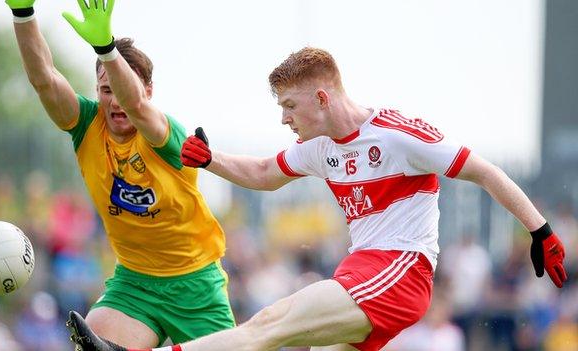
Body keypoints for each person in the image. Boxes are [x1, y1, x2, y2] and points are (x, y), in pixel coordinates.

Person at [67, 46, 568, 351]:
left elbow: (485, 171)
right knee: (281, 334)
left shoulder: (398, 135)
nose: (285, 118)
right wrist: (208, 158)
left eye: (289, 106)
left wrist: (540, 230)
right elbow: (263, 172)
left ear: (322, 99)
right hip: (360, 271)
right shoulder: (320, 147)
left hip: (400, 272)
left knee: (270, 324)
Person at [3, 0, 235, 348]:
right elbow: (45, 81)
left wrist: (106, 49)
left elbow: (137, 105)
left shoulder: (164, 133)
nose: (114, 101)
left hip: (195, 285)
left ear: (149, 91)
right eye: (105, 90)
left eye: (120, 88)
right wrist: (23, 13)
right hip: (134, 284)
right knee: (91, 342)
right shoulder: (86, 125)